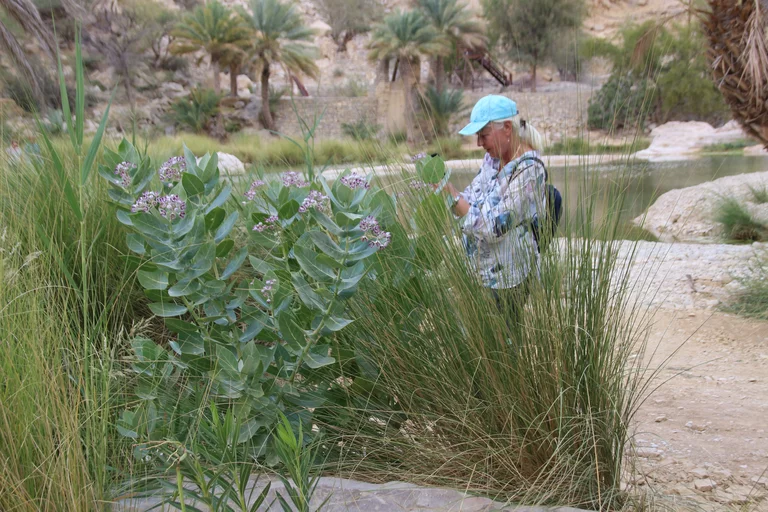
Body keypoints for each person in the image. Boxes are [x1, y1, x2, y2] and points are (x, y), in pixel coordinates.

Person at [438, 94, 548, 319]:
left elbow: (493, 228)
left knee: (504, 335)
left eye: (483, 135)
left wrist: (450, 194)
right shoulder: (493, 159)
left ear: (507, 128)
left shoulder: (530, 169)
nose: (479, 143)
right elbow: (471, 196)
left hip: (509, 277)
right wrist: (446, 189)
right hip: (480, 271)